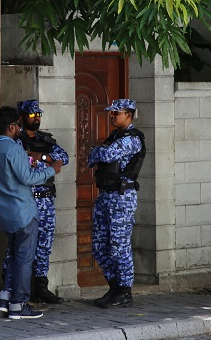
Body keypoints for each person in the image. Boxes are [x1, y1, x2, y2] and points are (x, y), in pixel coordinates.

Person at [0, 106, 62, 319]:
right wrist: (52, 170)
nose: (19, 129)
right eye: (17, 125)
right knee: (24, 259)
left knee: (15, 258)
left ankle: (5, 301)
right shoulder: (13, 149)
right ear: (11, 127)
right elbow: (27, 179)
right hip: (24, 213)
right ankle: (19, 305)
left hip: (5, 215)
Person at [2, 99, 69, 304]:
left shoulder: (45, 139)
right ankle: (10, 289)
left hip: (47, 200)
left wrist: (42, 156)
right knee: (17, 247)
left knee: (44, 245)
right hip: (27, 201)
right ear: (21, 118)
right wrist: (43, 159)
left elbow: (63, 158)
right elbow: (23, 160)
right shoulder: (16, 140)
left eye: (39, 114)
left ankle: (41, 287)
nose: (37, 118)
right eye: (32, 115)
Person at [87, 99, 146, 308]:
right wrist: (96, 152)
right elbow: (91, 157)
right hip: (105, 196)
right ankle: (115, 286)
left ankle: (124, 291)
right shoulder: (115, 136)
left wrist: (97, 151)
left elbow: (104, 154)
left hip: (122, 198)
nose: (112, 116)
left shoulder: (132, 138)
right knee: (99, 246)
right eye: (111, 113)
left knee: (119, 246)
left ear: (128, 115)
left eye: (116, 113)